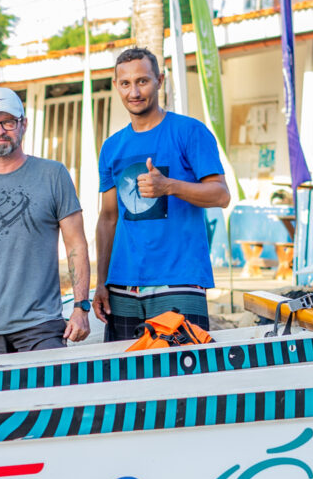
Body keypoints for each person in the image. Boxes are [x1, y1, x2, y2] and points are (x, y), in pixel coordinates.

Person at [0, 87, 91, 358]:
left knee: (47, 388)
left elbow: (76, 245)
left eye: (8, 122)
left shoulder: (53, 175)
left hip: (41, 325)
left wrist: (81, 307)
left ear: (24, 124)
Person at [93, 47, 230, 341]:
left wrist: (169, 186)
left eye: (142, 81)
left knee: (183, 368)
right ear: (116, 86)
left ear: (159, 80)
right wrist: (101, 282)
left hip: (179, 281)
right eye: (126, 83)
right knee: (124, 369)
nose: (134, 92)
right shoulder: (111, 146)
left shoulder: (190, 131)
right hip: (122, 286)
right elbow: (108, 218)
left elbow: (221, 195)